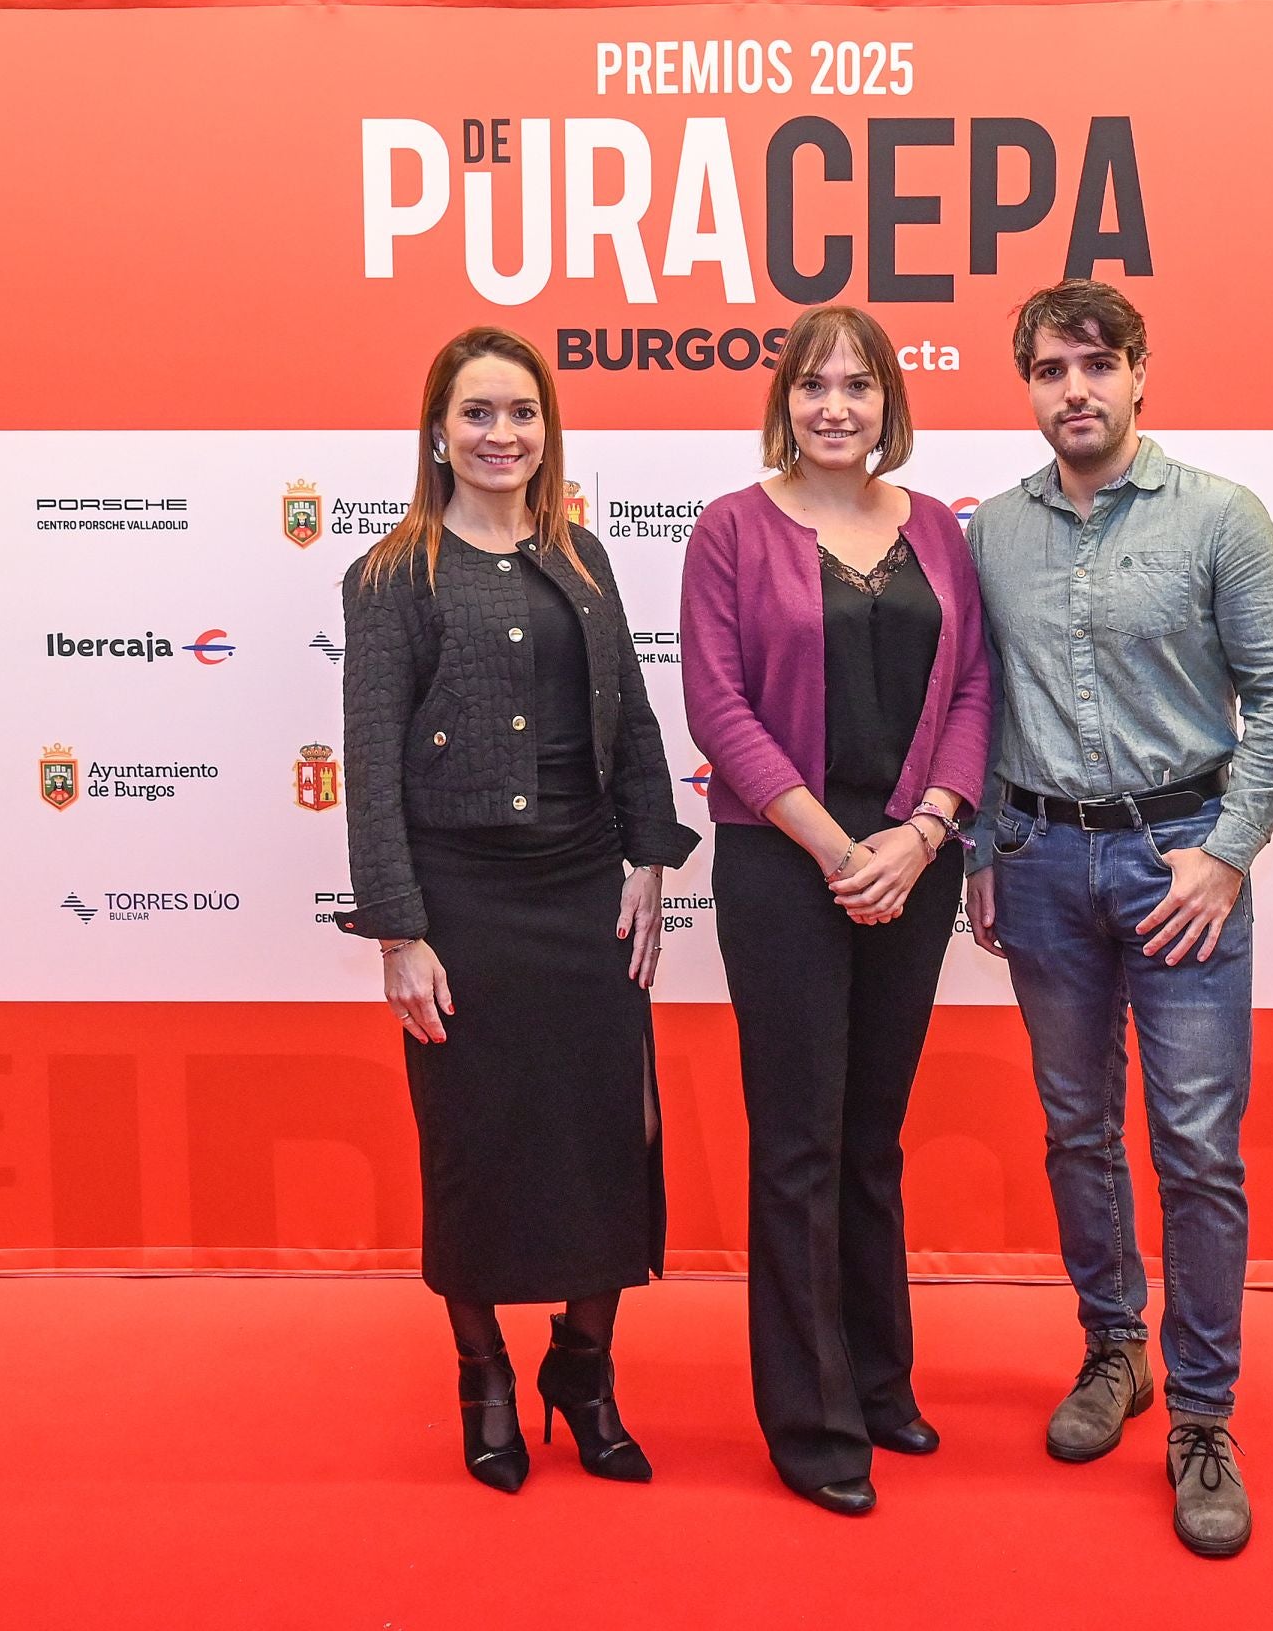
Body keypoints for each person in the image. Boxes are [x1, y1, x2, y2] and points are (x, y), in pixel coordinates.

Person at [962, 280, 1273, 1556]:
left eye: (1097, 364)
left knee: (1196, 1144)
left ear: (1140, 373)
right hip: (1042, 861)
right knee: (1075, 1127)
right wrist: (978, 850)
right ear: (1027, 385)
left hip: (1183, 869)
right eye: (1051, 369)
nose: (1076, 389)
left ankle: (1205, 1416)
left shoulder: (1223, 518)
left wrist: (1225, 857)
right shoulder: (990, 532)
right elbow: (973, 701)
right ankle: (1113, 1349)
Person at [336, 326, 699, 1494]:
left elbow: (634, 723)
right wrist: (400, 929)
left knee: (606, 1138)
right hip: (464, 899)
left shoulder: (584, 556)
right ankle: (484, 1372)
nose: (502, 435)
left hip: (584, 891)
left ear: (550, 430)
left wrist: (651, 856)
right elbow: (369, 758)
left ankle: (582, 1370)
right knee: (477, 1144)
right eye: (478, 413)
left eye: (522, 414)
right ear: (438, 431)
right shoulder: (393, 574)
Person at [680, 306, 991, 1516]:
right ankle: (810, 1419)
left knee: (872, 1137)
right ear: (785, 401)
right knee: (800, 1143)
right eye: (813, 385)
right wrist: (832, 845)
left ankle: (877, 1375)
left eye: (858, 385)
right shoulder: (729, 530)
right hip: (784, 863)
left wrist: (920, 836)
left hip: (912, 865)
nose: (835, 407)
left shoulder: (939, 536)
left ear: (888, 404)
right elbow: (718, 708)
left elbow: (973, 686)